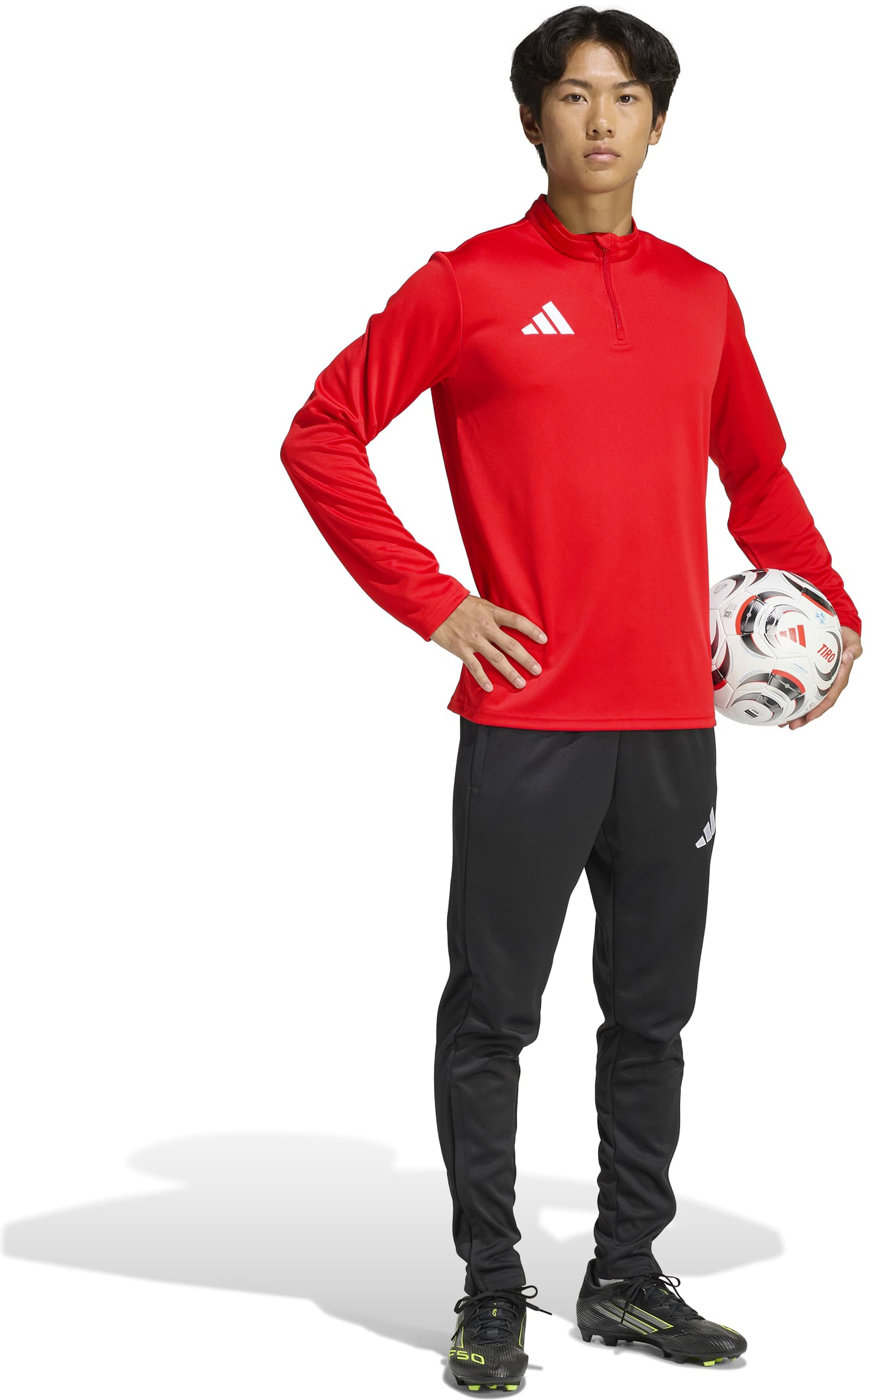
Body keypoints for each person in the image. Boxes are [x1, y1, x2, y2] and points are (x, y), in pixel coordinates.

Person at [279, 5, 862, 1388]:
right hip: (528, 721)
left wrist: (833, 619)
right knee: (494, 1013)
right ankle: (491, 1284)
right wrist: (433, 600)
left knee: (651, 1017)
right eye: (571, 95)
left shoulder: (701, 295)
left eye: (625, 97)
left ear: (659, 124)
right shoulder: (468, 284)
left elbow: (758, 475)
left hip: (669, 724)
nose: (599, 120)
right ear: (530, 120)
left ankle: (625, 1277)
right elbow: (321, 433)